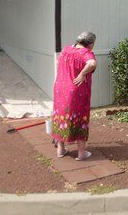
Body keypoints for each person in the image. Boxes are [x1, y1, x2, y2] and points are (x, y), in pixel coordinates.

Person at [52, 31, 97, 161]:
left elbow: (57, 62)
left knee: (61, 115)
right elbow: (92, 64)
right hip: (76, 90)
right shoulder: (86, 53)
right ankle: (81, 152)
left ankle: (61, 150)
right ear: (90, 44)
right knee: (80, 116)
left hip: (60, 87)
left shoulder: (67, 49)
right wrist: (82, 74)